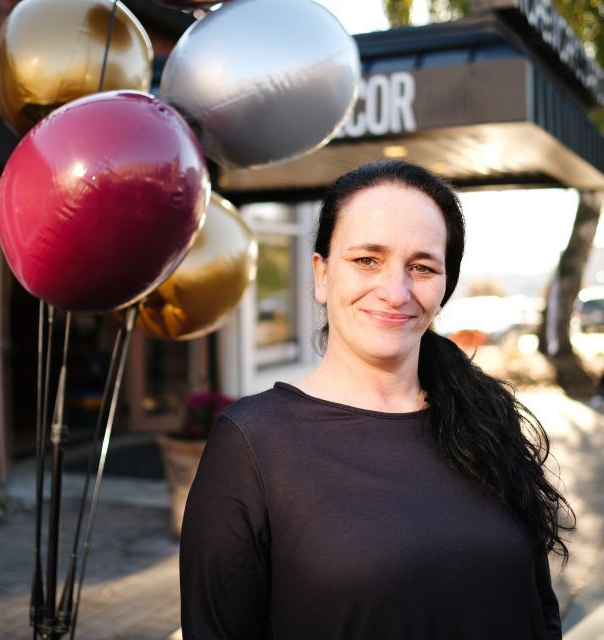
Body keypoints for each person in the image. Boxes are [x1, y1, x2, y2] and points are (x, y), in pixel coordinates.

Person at [179, 159, 574, 639]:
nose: (395, 291)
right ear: (322, 276)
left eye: (422, 267)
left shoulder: (486, 417)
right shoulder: (255, 443)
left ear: (444, 285)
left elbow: (540, 612)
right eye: (368, 259)